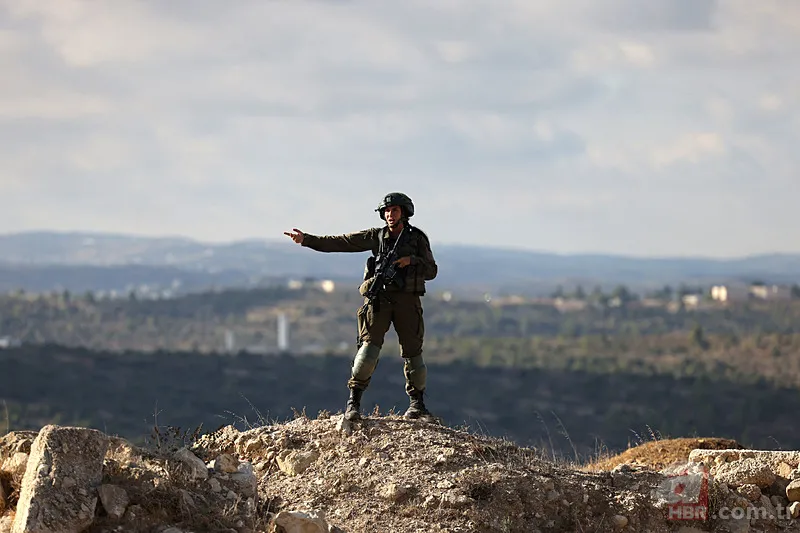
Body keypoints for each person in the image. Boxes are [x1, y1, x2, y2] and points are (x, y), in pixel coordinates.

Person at [284, 192, 438, 422]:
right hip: (379, 301)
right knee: (367, 352)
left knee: (414, 354)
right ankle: (353, 403)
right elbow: (341, 242)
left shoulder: (416, 239)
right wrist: (307, 239)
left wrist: (411, 261)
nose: (389, 214)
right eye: (386, 211)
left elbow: (432, 271)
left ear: (404, 212)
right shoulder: (375, 237)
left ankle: (417, 405)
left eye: (394, 210)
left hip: (408, 301)